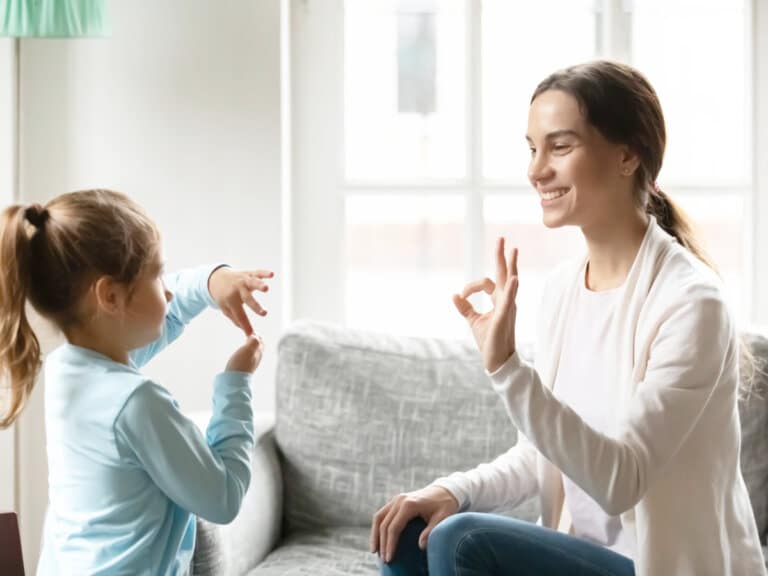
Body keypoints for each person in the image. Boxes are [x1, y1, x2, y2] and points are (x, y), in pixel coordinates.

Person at [370, 60, 767, 576]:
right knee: (408, 537)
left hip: (659, 568)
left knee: (461, 541)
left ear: (627, 156)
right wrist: (451, 490)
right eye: (533, 148)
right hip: (587, 558)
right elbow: (542, 457)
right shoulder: (561, 290)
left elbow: (622, 479)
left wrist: (509, 370)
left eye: (560, 147)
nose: (536, 170)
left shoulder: (691, 303)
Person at [0, 189, 274, 575]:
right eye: (157, 274)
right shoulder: (137, 403)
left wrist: (211, 282)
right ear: (110, 296)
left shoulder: (68, 370)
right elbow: (223, 498)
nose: (168, 288)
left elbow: (163, 312)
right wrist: (236, 383)